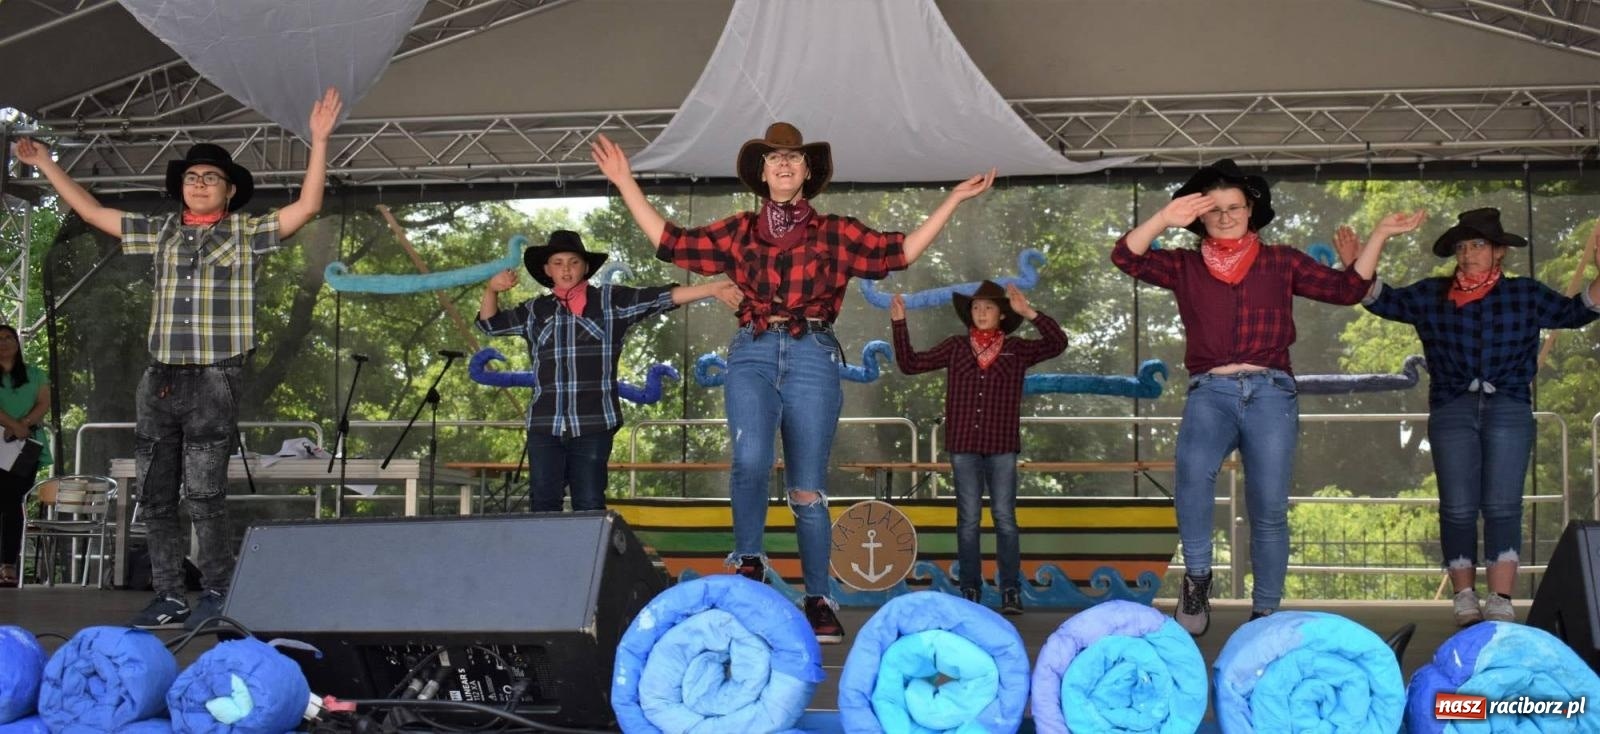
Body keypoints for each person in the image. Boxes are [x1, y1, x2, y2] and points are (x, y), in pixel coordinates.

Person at [591, 123, 994, 644]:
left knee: (806, 487)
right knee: (750, 459)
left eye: (794, 157)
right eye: (774, 157)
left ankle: (818, 599)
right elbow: (671, 243)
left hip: (813, 353)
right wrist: (625, 181)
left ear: (807, 172)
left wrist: (952, 200)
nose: (784, 163)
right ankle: (750, 562)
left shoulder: (835, 233)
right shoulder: (739, 230)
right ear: (763, 173)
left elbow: (900, 253)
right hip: (753, 349)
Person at [11, 87, 343, 629]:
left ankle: (217, 592)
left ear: (229, 191)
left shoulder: (245, 232)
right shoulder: (162, 232)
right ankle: (168, 595)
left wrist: (319, 140)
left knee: (205, 492)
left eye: (211, 177)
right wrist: (47, 163)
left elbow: (307, 207)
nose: (199, 182)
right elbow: (93, 211)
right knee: (155, 494)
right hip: (160, 377)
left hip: (215, 374)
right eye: (191, 176)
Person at [1111, 159, 1384, 635]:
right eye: (1214, 209)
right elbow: (1126, 257)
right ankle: (1198, 578)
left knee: (1269, 505)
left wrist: (1378, 234)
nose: (1225, 217)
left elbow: (1348, 290)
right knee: (1192, 478)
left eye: (1234, 207)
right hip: (1210, 390)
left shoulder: (1281, 260)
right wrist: (1163, 218)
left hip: (1271, 392)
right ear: (1199, 215)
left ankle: (1265, 613)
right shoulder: (1185, 264)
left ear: (1251, 209)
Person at [1349, 207, 1600, 626]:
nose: (1468, 254)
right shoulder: (1432, 293)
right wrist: (1359, 259)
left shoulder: (1524, 293)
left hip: (1509, 406)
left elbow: (1579, 311)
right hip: (1452, 408)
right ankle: (1464, 596)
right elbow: (1378, 298)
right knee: (1457, 507)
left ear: (1499, 251)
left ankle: (1501, 598)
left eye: (1478, 245)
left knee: (1503, 504)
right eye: (1462, 246)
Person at [477, 230, 738, 512]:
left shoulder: (610, 301)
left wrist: (711, 289)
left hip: (594, 423)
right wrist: (491, 290)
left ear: (586, 267)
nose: (566, 269)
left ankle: (590, 543)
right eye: (558, 262)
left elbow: (663, 296)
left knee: (589, 502)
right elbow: (490, 324)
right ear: (547, 269)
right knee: (543, 502)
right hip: (544, 424)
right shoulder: (534, 310)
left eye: (574, 262)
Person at [889, 281, 1064, 614]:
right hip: (964, 445)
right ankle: (970, 589)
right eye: (976, 307)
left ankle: (1010, 590)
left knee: (1004, 519)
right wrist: (899, 323)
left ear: (1002, 314)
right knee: (968, 519)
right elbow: (910, 364)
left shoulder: (1017, 349)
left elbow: (1058, 343)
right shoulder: (956, 346)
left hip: (1001, 445)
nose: (981, 313)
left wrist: (1029, 312)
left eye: (988, 307)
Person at [0, 325, 50, 588]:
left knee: (14, 503)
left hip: (26, 446)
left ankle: (8, 564)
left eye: (8, 337)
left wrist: (24, 424)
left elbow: (43, 402)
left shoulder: (35, 373)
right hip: (3, 439)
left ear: (17, 343)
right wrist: (11, 424)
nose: (4, 342)